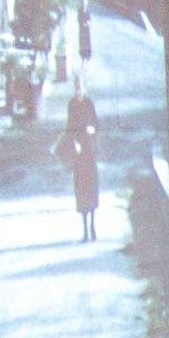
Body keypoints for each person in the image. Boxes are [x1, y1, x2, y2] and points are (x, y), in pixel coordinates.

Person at [62, 89, 101, 242]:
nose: (79, 91)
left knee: (92, 188)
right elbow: (69, 128)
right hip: (79, 154)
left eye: (81, 88)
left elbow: (96, 125)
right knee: (81, 189)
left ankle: (93, 226)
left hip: (89, 151)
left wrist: (93, 131)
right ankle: (85, 229)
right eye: (76, 88)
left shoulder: (89, 103)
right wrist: (73, 143)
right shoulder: (71, 104)